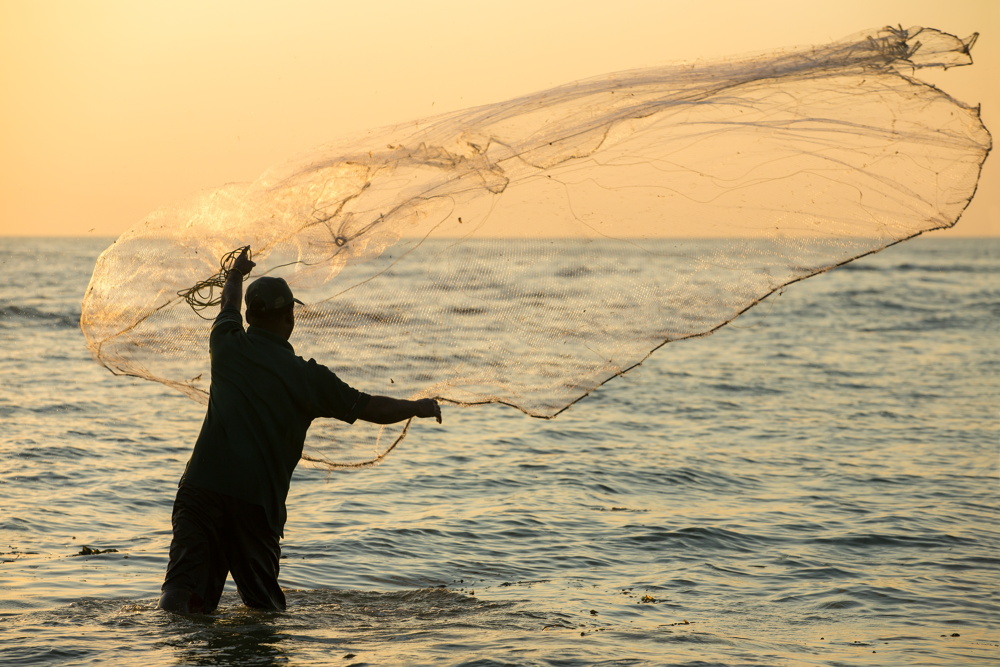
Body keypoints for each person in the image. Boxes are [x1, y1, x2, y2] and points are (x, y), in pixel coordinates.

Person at [158, 246, 441, 614]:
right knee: (264, 610)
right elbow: (370, 407)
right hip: (255, 504)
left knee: (182, 595)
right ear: (290, 318)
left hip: (200, 491)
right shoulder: (308, 379)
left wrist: (237, 273)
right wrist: (417, 407)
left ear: (249, 315)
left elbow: (227, 303)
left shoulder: (225, 343)